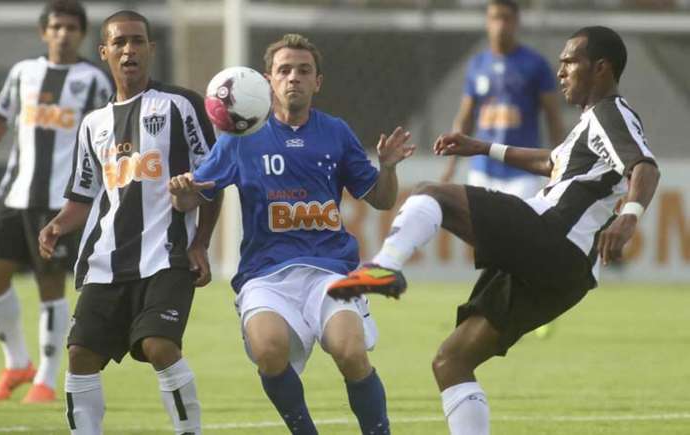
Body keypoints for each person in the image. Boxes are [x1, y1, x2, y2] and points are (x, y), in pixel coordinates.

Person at [328, 26, 660, 435]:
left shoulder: (611, 112)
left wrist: (629, 216)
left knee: (433, 193)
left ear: (602, 67)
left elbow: (643, 166)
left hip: (552, 235)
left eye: (570, 61)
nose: (560, 72)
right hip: (564, 275)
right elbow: (550, 163)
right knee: (451, 362)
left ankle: (385, 265)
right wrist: (483, 147)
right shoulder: (591, 123)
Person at [169, 34, 415, 434]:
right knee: (268, 350)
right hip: (266, 275)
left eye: (304, 70)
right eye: (284, 70)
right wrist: (181, 194)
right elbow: (193, 199)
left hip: (330, 271)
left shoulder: (335, 132)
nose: (294, 78)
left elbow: (382, 201)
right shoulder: (238, 139)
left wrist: (387, 168)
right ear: (268, 80)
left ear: (318, 81)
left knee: (349, 350)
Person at [38, 10, 220, 435]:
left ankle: (188, 432)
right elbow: (83, 196)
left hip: (167, 254)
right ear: (104, 52)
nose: (128, 50)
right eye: (119, 42)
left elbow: (213, 178)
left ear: (151, 49)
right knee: (81, 353)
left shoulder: (181, 105)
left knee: (160, 346)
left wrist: (200, 241)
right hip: (106, 260)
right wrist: (58, 225)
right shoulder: (92, 124)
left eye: (137, 41)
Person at [0, 0, 112, 403]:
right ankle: (17, 364)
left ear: (82, 34)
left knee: (50, 286)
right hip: (15, 194)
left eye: (71, 28)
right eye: (56, 27)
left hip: (60, 202)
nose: (63, 34)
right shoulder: (23, 73)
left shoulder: (95, 80)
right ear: (43, 32)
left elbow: (109, 132)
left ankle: (46, 378)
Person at [441, 0, 564, 200]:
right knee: (480, 230)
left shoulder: (536, 64)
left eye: (506, 18)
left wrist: (560, 167)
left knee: (517, 231)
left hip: (523, 171)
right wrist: (451, 166)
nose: (500, 25)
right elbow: (465, 118)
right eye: (495, 18)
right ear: (487, 22)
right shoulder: (477, 64)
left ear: (516, 22)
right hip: (483, 168)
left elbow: (553, 119)